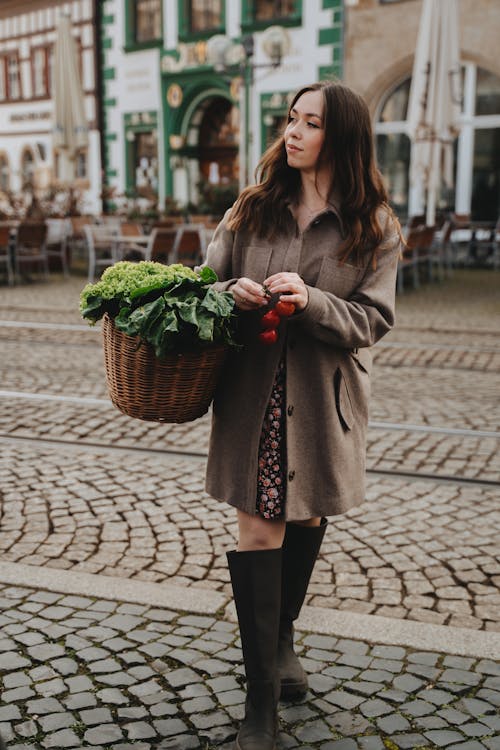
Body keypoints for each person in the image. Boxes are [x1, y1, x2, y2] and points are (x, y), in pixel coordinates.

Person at [203, 81, 402, 750]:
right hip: (252, 401)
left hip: (321, 405)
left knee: (306, 516)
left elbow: (372, 320)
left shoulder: (374, 225)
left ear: (339, 137)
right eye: (291, 119)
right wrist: (235, 291)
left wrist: (310, 301)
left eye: (310, 123)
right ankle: (260, 706)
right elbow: (203, 286)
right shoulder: (251, 208)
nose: (293, 132)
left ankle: (282, 638)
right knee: (260, 532)